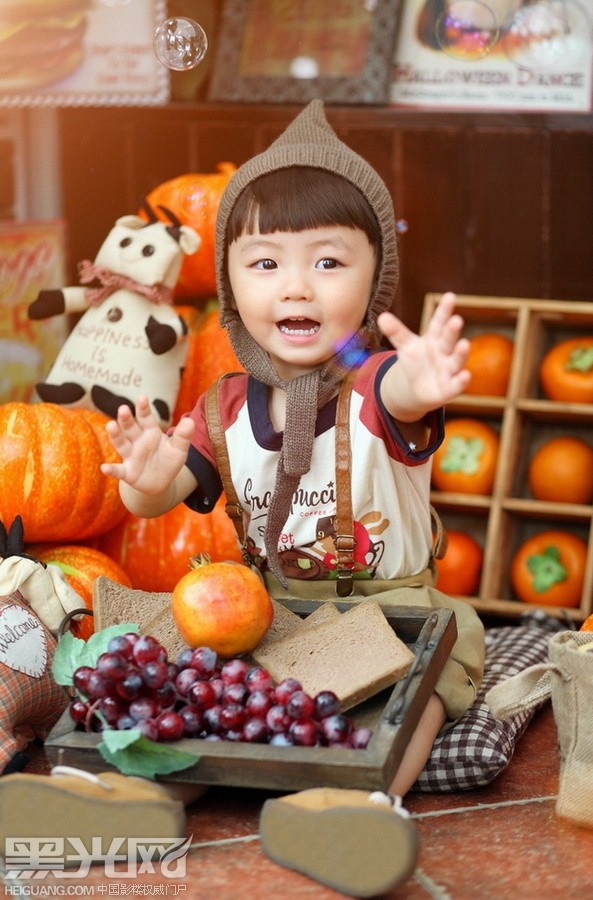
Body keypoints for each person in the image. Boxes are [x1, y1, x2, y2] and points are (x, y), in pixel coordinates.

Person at [101, 99, 485, 891]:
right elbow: (165, 493)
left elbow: (407, 391)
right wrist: (143, 481)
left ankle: (365, 802)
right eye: (266, 263)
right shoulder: (225, 406)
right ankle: (138, 794)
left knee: (424, 685)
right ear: (231, 284)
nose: (296, 286)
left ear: (375, 277)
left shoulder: (377, 386)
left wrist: (428, 377)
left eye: (328, 261)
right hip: (275, 616)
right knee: (207, 689)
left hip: (397, 611)